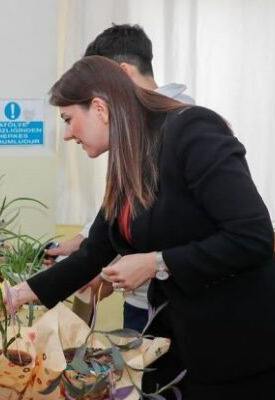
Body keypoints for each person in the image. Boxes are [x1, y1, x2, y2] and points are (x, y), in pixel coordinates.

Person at [2, 56, 275, 398]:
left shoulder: (192, 130)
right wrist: (17, 295)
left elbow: (252, 237)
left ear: (100, 109)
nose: (66, 134)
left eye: (69, 119)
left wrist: (156, 262)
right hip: (181, 336)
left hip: (242, 336)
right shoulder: (128, 156)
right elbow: (95, 253)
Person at [47, 23, 195, 331]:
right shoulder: (130, 138)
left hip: (188, 304)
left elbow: (179, 231)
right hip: (145, 298)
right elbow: (115, 217)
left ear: (121, 76)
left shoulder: (185, 128)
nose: (68, 134)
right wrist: (82, 245)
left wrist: (149, 263)